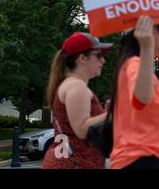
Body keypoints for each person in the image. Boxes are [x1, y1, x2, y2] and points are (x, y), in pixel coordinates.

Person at [109, 16, 159, 169]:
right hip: (139, 161)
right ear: (141, 30)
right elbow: (141, 99)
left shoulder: (138, 67)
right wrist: (146, 48)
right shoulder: (135, 64)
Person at [42, 32, 112, 169]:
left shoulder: (70, 84)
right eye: (98, 56)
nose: (103, 61)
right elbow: (82, 129)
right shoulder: (77, 86)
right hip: (73, 164)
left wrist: (106, 114)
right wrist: (114, 113)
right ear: (82, 58)